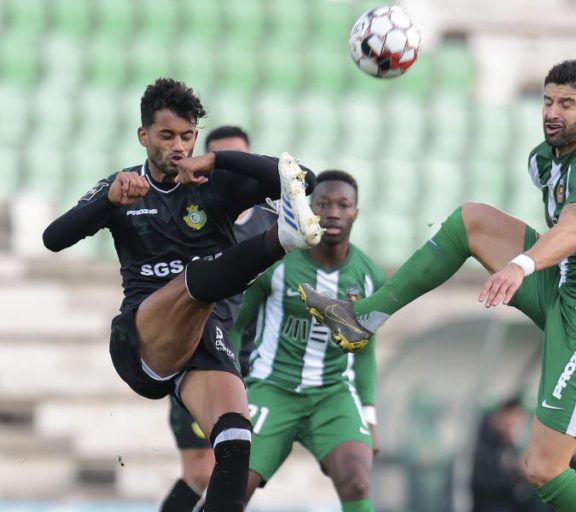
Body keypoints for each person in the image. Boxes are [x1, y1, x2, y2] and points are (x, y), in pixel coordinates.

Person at [299, 60, 576, 512]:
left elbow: (573, 231)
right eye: (548, 101)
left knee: (543, 469)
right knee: (471, 221)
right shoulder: (545, 159)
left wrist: (521, 266)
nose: (552, 112)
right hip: (570, 285)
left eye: (567, 104)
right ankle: (363, 319)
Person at [42, 77, 323, 511]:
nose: (179, 146)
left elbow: (306, 178)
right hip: (141, 341)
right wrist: (108, 202)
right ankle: (281, 241)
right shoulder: (124, 187)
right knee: (194, 279)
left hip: (204, 342)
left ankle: (282, 238)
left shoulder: (216, 183)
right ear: (143, 136)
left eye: (188, 137)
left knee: (234, 440)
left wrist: (219, 157)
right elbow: (53, 239)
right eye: (167, 135)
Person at [231, 170, 385, 512]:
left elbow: (364, 348)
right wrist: (230, 392)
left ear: (355, 213)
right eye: (323, 204)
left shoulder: (369, 276)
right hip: (272, 389)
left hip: (332, 395)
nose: (332, 212)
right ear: (309, 210)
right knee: (231, 490)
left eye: (343, 205)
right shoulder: (276, 262)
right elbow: (235, 325)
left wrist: (370, 415)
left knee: (358, 479)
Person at [160, 125, 278, 511]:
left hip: (251, 363)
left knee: (236, 469)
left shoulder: (270, 221)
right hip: (200, 354)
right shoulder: (190, 211)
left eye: (238, 160)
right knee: (199, 471)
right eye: (219, 160)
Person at [471, 397, 545, 512]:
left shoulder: (516, 447)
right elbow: (481, 483)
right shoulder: (485, 447)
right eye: (510, 417)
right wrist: (514, 472)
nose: (514, 423)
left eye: (518, 417)